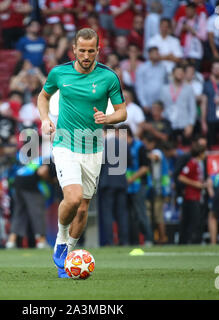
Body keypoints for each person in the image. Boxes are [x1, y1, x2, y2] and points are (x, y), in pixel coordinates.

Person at [37, 28, 127, 278]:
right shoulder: (59, 73)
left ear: (98, 50)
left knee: (84, 209)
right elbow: (43, 97)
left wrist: (107, 118)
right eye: (82, 50)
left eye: (91, 51)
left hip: (94, 148)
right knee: (73, 198)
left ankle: (67, 257)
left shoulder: (109, 77)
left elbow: (123, 112)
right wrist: (45, 119)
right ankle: (61, 239)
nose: (86, 55)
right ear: (74, 50)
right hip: (65, 144)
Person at [5, 156, 56, 249]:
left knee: (19, 213)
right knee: (38, 213)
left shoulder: (42, 158)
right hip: (29, 184)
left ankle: (11, 242)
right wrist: (52, 180)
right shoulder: (50, 160)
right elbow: (42, 172)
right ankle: (42, 242)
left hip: (17, 182)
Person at [97, 125, 129, 246]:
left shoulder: (103, 144)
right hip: (121, 181)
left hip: (107, 182)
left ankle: (109, 241)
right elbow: (129, 161)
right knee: (122, 213)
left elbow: (100, 162)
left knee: (107, 213)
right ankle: (124, 241)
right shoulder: (123, 143)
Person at [178, 143, 211, 244]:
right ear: (200, 153)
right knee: (192, 221)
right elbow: (181, 177)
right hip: (191, 196)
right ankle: (189, 241)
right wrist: (195, 184)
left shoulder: (200, 163)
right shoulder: (192, 163)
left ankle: (195, 241)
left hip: (198, 196)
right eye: (204, 152)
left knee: (198, 220)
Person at [160, 64, 196, 145]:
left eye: (181, 73)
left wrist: (190, 124)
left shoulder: (189, 89)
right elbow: (161, 107)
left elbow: (192, 108)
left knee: (186, 149)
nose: (180, 74)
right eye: (177, 72)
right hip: (169, 123)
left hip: (184, 123)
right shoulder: (164, 89)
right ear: (173, 74)